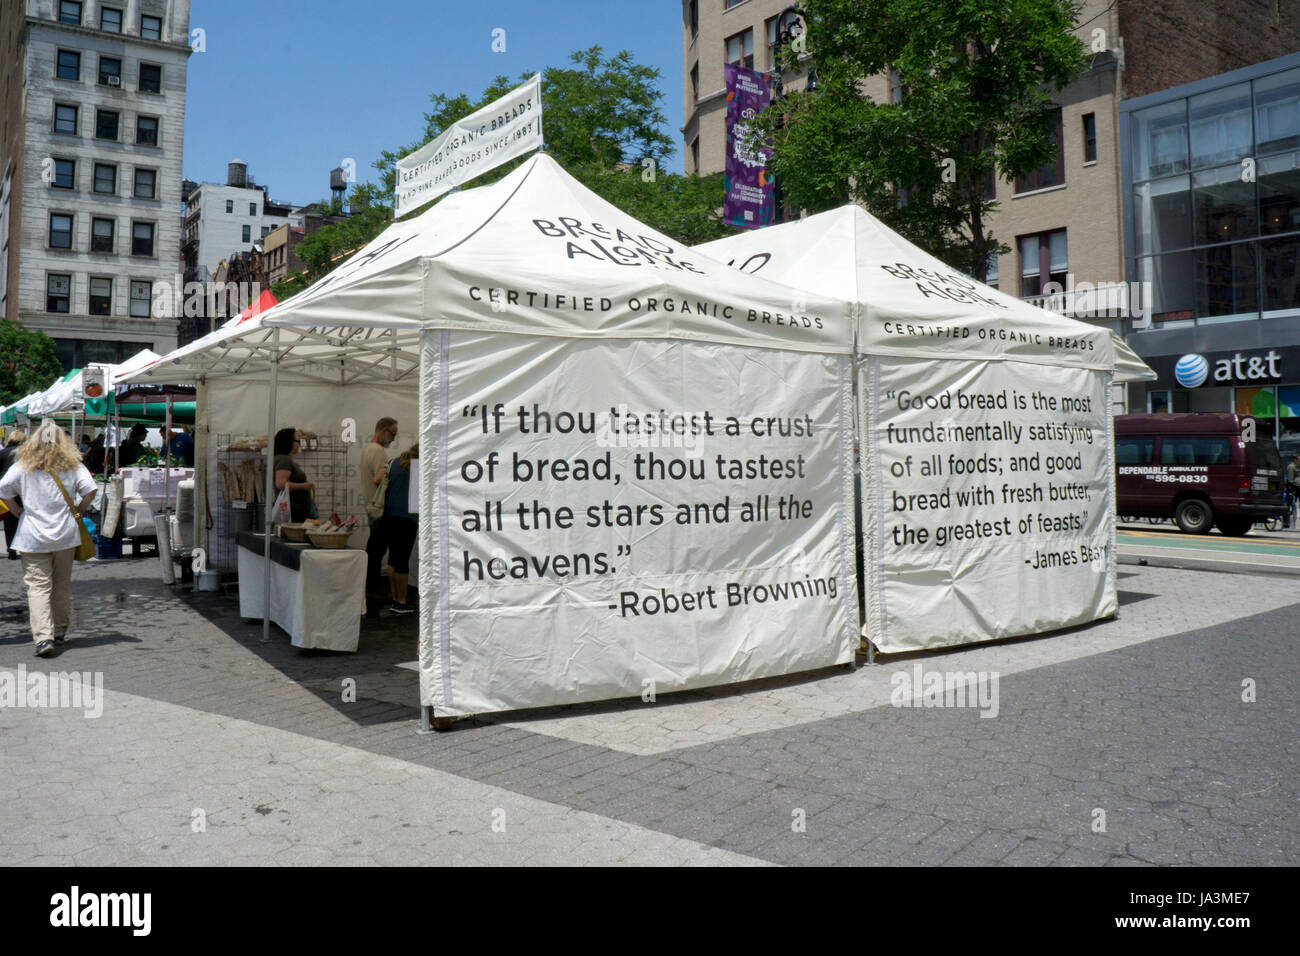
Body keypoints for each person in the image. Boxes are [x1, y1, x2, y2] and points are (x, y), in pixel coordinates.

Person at [0, 421, 97, 656]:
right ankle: (60, 631)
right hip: (64, 534)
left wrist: (16, 511)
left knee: (38, 587)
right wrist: (79, 510)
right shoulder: (73, 465)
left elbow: (3, 488)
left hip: (32, 534)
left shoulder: (23, 465)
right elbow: (90, 489)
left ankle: (43, 638)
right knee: (61, 585)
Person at [361, 417, 398, 614]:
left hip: (372, 506)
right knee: (376, 551)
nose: (393, 438)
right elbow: (378, 479)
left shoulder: (368, 448)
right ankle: (372, 589)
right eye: (393, 434)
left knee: (374, 549)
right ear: (383, 431)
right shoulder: (377, 451)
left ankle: (370, 587)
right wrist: (390, 469)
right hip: (380, 508)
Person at [379, 443, 419, 615]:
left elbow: (378, 479)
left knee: (393, 559)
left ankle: (396, 599)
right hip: (408, 518)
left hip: (389, 516)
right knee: (402, 560)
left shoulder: (394, 462)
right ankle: (402, 602)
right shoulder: (419, 467)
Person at [272, 427, 315, 523]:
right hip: (293, 510)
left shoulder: (283, 459)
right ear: (289, 442)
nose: (298, 443)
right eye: (297, 441)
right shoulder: (284, 460)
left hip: (295, 509)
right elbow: (281, 484)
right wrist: (303, 486)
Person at [0, 429, 26, 560]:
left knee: (8, 520)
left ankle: (11, 548)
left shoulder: (2, 452)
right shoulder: (26, 453)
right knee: (21, 516)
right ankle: (20, 545)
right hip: (22, 489)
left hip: (5, 490)